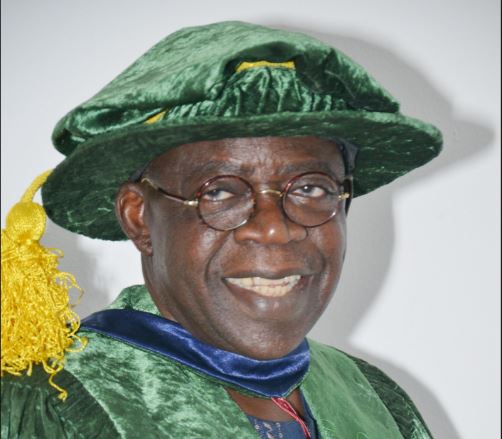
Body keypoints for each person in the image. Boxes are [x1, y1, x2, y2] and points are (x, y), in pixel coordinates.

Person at [1, 21, 442, 438]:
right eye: (220, 192)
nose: (275, 230)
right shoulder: (53, 402)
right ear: (139, 217)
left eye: (310, 188)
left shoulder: (373, 399)